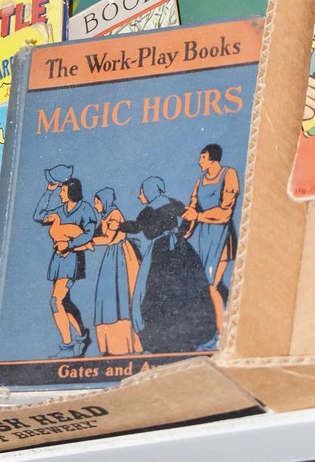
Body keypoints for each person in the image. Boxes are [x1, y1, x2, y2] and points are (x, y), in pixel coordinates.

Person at [119, 176, 216, 354]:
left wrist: (118, 226)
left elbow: (136, 227)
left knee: (152, 291)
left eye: (142, 192)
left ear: (150, 191)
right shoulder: (172, 202)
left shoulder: (148, 210)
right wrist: (183, 233)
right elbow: (189, 215)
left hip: (159, 251)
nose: (140, 196)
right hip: (180, 248)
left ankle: (159, 340)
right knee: (187, 288)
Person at [34, 174, 98, 358]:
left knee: (56, 301)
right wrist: (48, 192)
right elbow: (38, 216)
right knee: (64, 302)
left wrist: (68, 244)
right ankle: (83, 337)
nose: (60, 194)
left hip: (72, 259)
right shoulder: (60, 210)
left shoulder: (85, 208)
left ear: (72, 192)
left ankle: (67, 346)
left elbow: (89, 234)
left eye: (62, 191)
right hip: (58, 260)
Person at [182, 143, 240, 335]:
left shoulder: (228, 174)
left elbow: (225, 213)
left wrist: (198, 216)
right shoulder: (200, 181)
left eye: (203, 158)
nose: (199, 162)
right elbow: (193, 208)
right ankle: (231, 323)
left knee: (212, 285)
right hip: (205, 238)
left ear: (213, 159)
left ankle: (221, 333)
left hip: (222, 236)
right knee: (215, 285)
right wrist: (185, 233)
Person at [92, 187, 142, 356]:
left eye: (97, 202)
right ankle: (112, 346)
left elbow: (108, 238)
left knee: (122, 298)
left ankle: (125, 346)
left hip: (121, 256)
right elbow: (97, 234)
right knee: (108, 299)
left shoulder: (114, 214)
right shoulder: (105, 215)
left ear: (104, 201)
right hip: (112, 256)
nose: (95, 205)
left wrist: (87, 242)